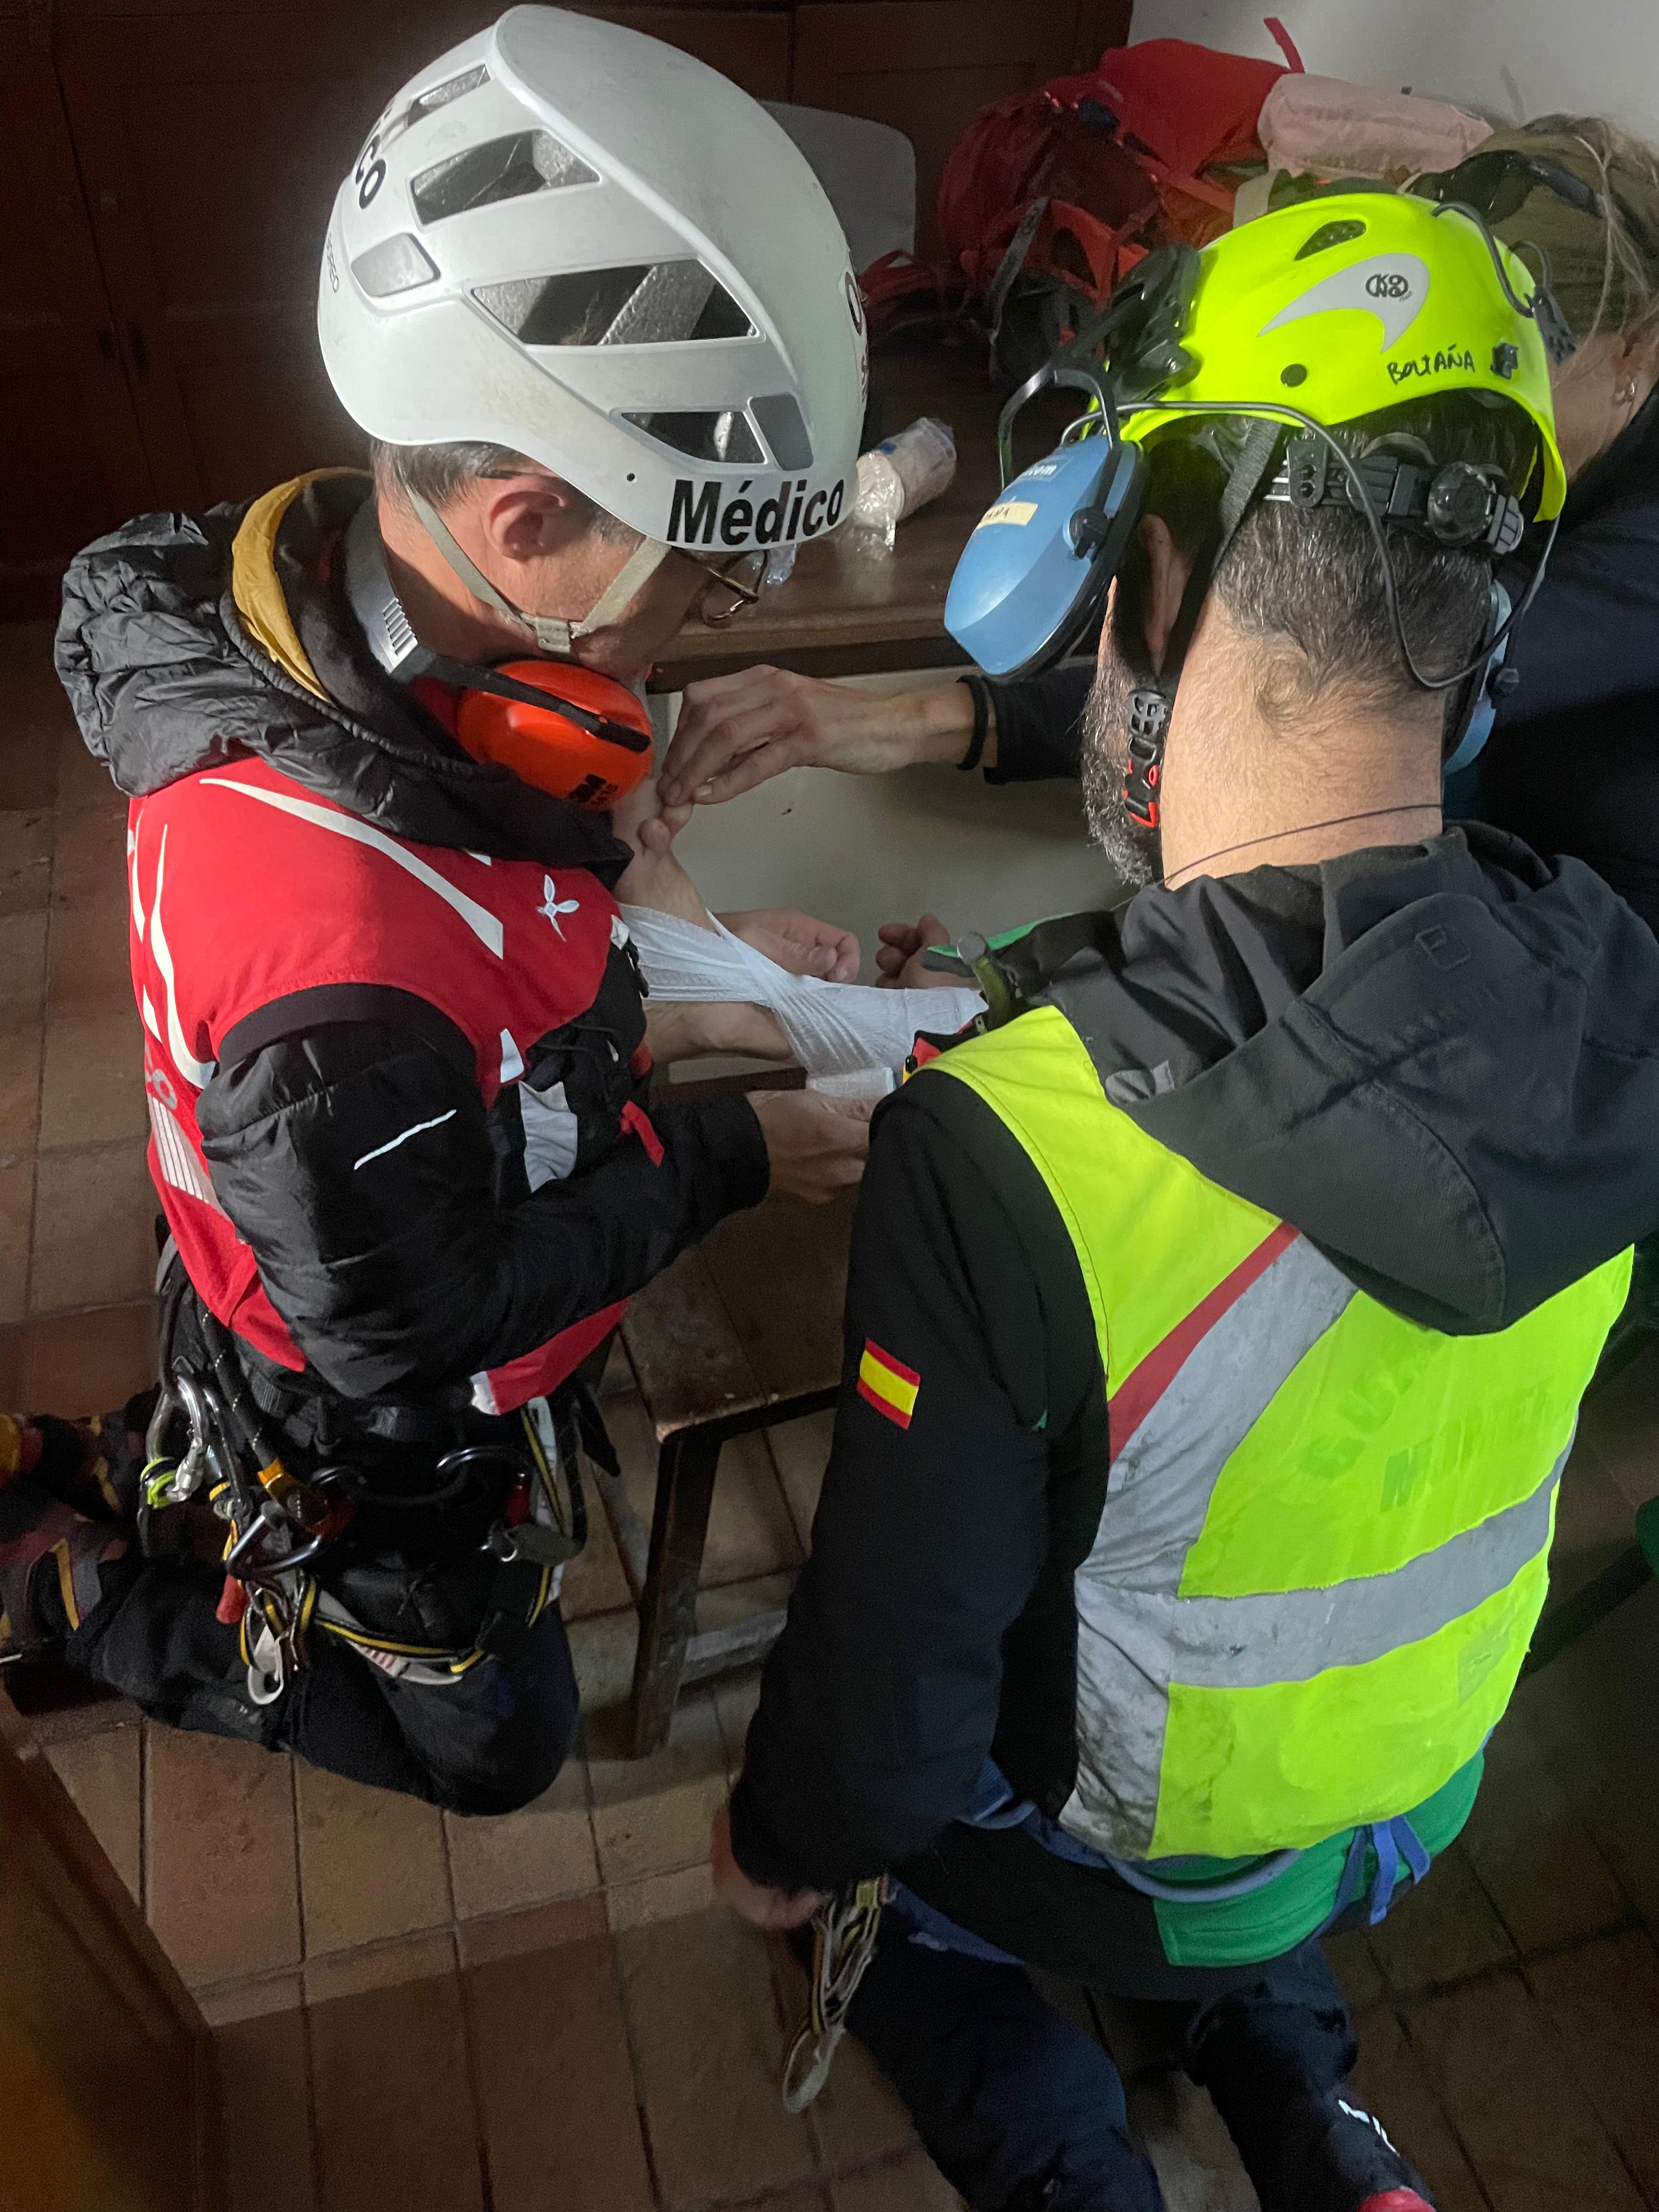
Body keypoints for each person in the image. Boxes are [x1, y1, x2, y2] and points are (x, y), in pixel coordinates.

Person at [708, 190, 1659, 2212]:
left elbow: (890, 1695)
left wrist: (782, 1845)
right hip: (1400, 1808)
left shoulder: (1011, 1154)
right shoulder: (1615, 985)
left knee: (886, 1895)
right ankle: (1324, 2138)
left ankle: (1079, 2168)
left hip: (1106, 1844)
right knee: (1243, 1920)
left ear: (1145, 579)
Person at [0, 7, 873, 1817]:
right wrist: (738, 1159)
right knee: (492, 1747)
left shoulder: (323, 614)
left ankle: (142, 1457)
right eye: (695, 586)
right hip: (370, 1398)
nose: (692, 637)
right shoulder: (336, 959)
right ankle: (73, 1595)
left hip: (302, 1225)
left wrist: (674, 979)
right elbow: (417, 1329)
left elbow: (487, 985)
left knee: (238, 1383)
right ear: (532, 519)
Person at [657, 117, 1659, 943]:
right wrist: (885, 720)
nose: (1461, 426)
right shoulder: (1517, 473)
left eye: (1524, 368)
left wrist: (906, 727)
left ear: (1638, 355)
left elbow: (1307, 668)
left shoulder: (1604, 568)